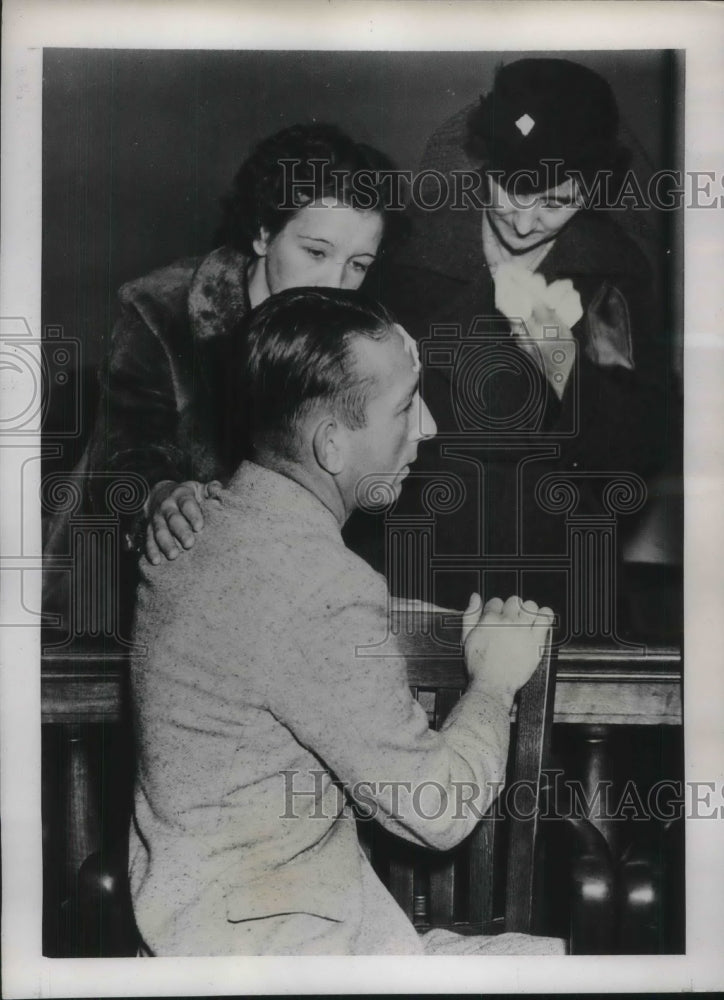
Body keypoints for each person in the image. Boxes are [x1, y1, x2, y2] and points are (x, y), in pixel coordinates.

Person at [129, 287, 563, 956]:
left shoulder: (197, 527)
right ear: (332, 444)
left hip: (201, 933)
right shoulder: (322, 585)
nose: (428, 428)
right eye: (404, 408)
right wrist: (495, 683)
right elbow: (437, 812)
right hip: (282, 954)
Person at [42, 123, 403, 639]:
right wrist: (160, 495)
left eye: (359, 265)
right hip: (100, 604)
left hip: (249, 602)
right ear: (261, 232)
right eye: (316, 252)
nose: (336, 285)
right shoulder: (159, 307)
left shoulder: (358, 335)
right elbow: (126, 451)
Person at [356, 57, 675, 631]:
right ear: (486, 162)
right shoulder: (404, 254)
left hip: (554, 570)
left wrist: (566, 367)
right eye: (512, 190)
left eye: (556, 203)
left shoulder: (613, 277)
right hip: (417, 557)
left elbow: (637, 451)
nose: (525, 223)